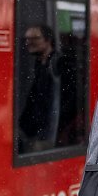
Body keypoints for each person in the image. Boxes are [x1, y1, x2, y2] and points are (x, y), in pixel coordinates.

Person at [17, 23, 59, 152]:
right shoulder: (39, 64)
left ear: (48, 40)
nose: (29, 42)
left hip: (47, 134)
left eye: (35, 38)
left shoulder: (57, 63)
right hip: (34, 130)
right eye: (27, 39)